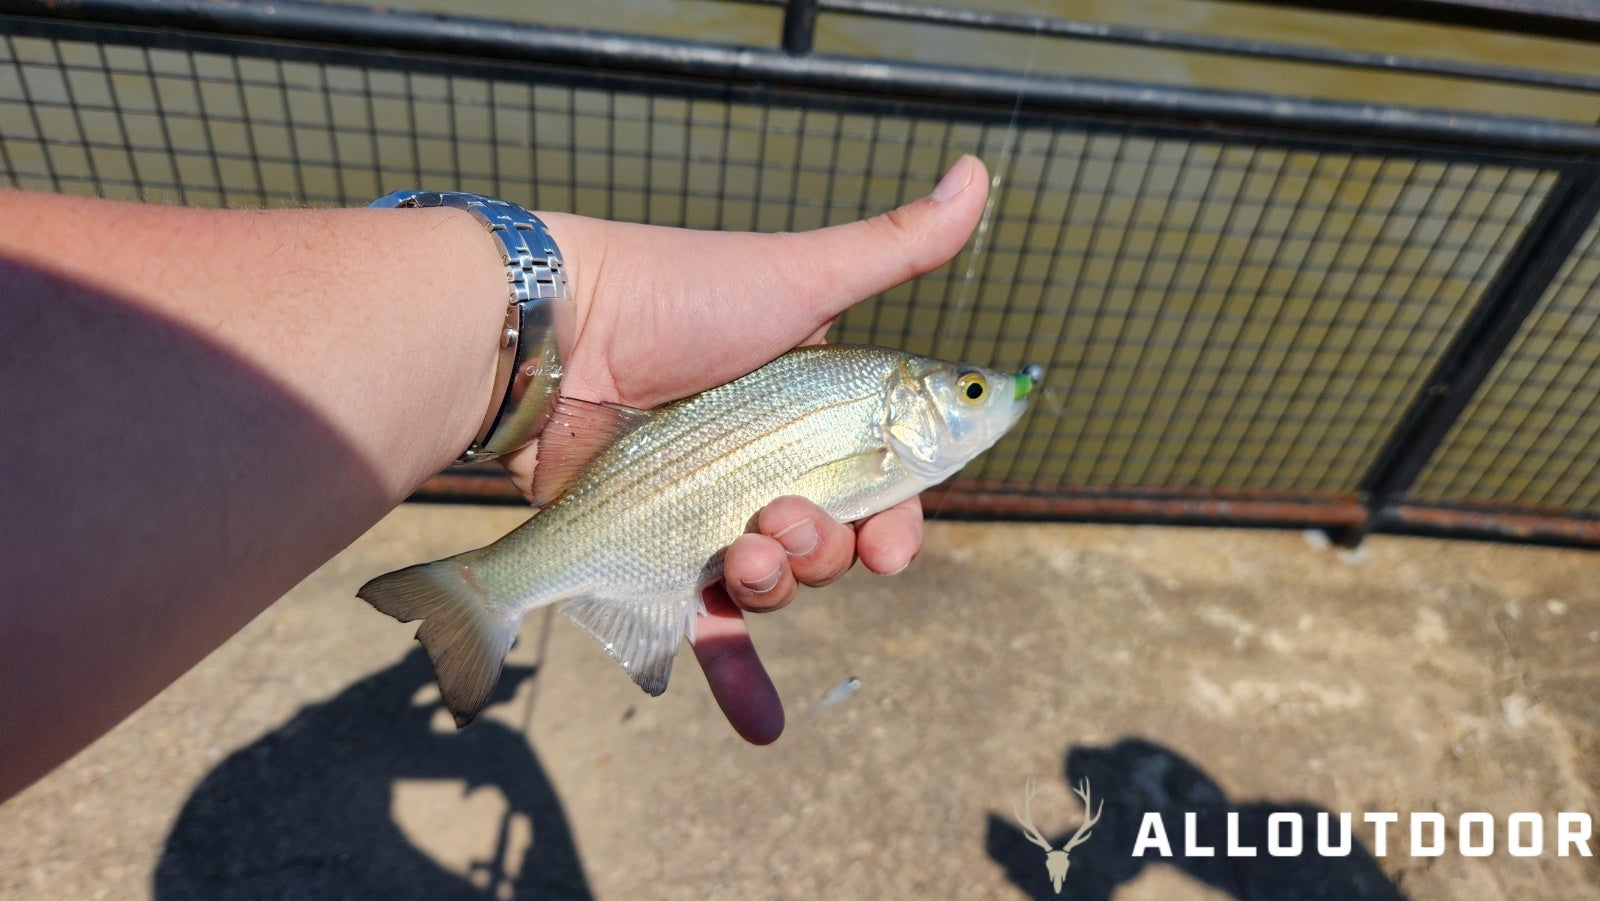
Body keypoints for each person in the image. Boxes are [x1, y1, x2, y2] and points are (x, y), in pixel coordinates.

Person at [0, 155, 990, 800]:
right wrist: (576, 316)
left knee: (768, 552)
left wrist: (574, 310)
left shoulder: (871, 405)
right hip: (629, 469)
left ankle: (491, 584)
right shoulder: (880, 403)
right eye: (974, 390)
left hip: (630, 468)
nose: (990, 398)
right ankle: (486, 585)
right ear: (906, 411)